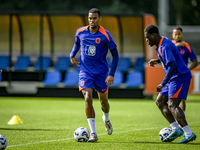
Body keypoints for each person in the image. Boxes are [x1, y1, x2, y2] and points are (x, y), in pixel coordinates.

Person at [70, 8, 119, 142]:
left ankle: (106, 118)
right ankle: (93, 133)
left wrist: (111, 74)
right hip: (85, 72)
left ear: (100, 19)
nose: (92, 21)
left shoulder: (105, 35)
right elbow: (77, 43)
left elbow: (115, 54)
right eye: (90, 18)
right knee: (88, 98)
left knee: (104, 102)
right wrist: (72, 55)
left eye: (95, 18)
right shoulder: (80, 31)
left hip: (101, 74)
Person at [144, 24, 196, 143]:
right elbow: (168, 58)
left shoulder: (164, 45)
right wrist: (157, 60)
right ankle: (176, 129)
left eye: (147, 37)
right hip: (174, 77)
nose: (146, 40)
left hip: (180, 77)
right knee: (160, 101)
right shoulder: (162, 43)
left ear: (153, 35)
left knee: (173, 105)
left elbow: (172, 66)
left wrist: (162, 83)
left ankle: (188, 133)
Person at [172, 26, 198, 113]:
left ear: (182, 34)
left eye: (179, 34)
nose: (177, 36)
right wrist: (177, 45)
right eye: (175, 34)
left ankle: (181, 120)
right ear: (173, 35)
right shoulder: (171, 45)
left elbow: (195, 62)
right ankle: (175, 119)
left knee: (181, 98)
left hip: (182, 76)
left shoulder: (187, 46)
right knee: (170, 98)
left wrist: (187, 69)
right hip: (172, 75)